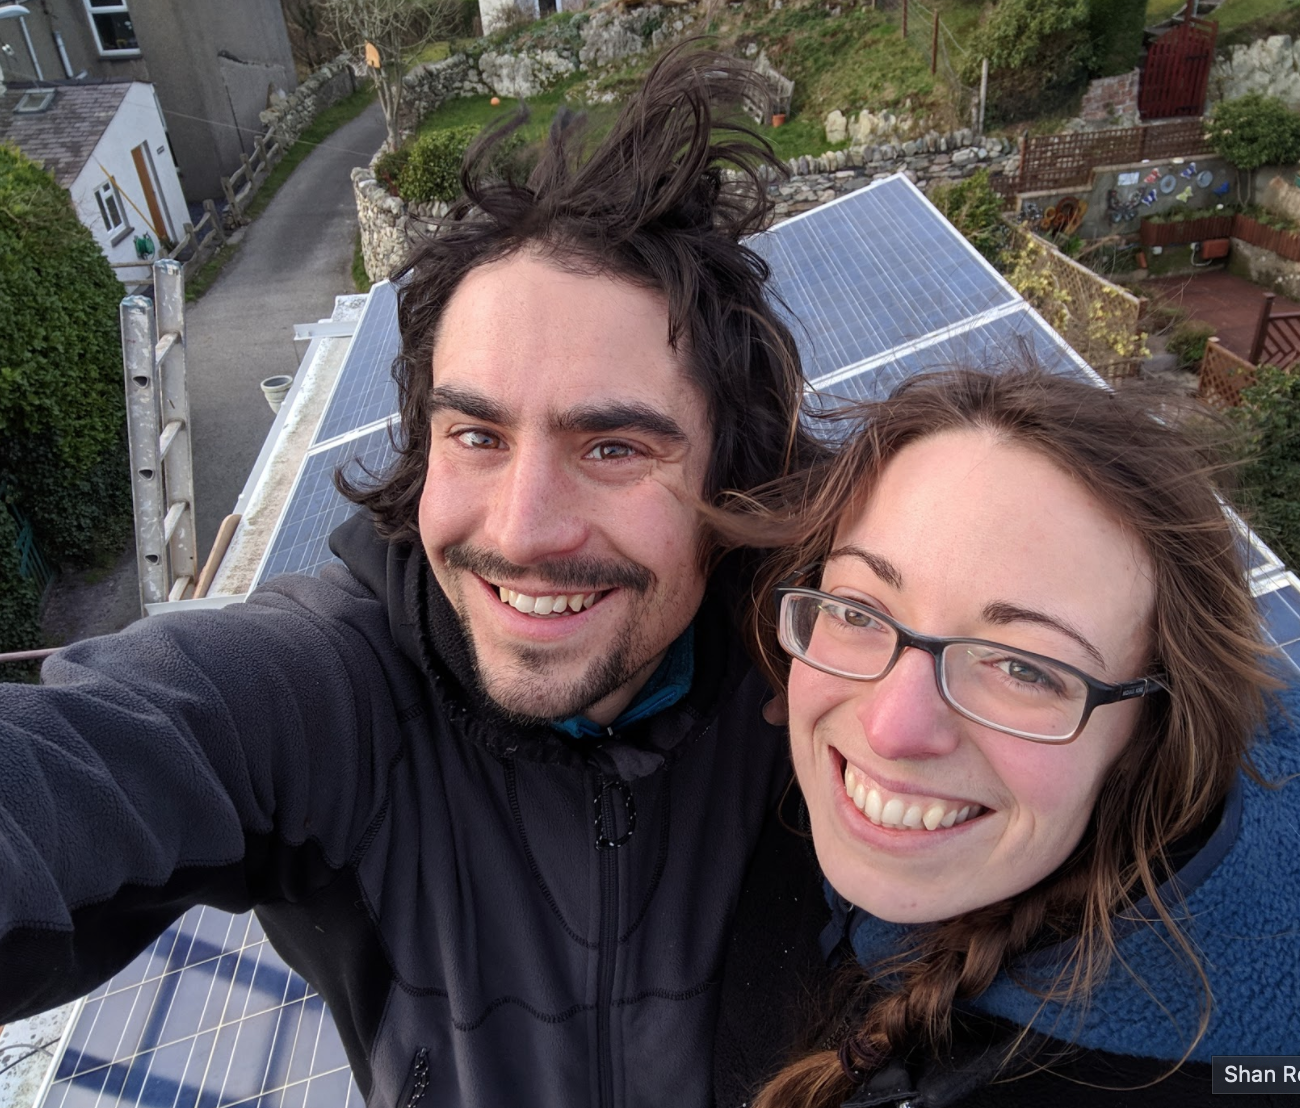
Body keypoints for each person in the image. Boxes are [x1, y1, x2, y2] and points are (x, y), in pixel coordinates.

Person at [0, 48, 818, 1106]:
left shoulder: (831, 689)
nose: (521, 529)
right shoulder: (330, 695)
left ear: (731, 476)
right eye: (475, 434)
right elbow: (81, 765)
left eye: (613, 447)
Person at [711, 369, 1300, 1108]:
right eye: (861, 613)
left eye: (1024, 667)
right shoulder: (769, 791)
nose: (892, 729)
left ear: (1152, 735)